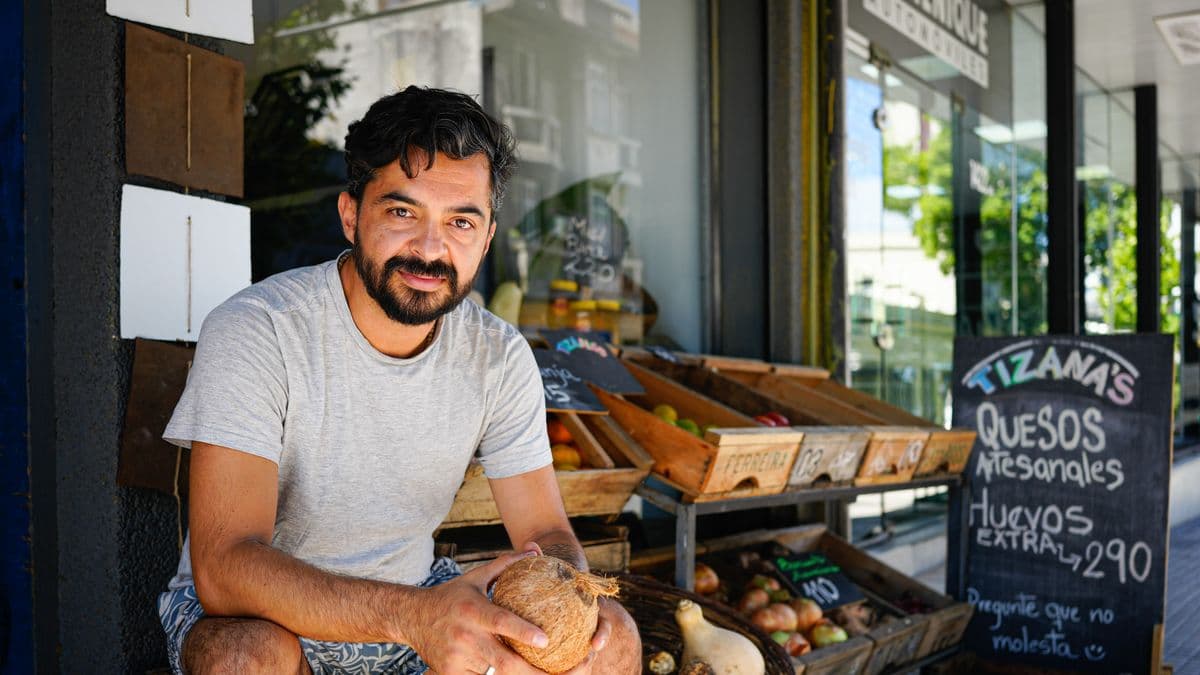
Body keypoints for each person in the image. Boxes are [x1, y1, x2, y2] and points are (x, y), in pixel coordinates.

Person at [156, 86, 641, 675]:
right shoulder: (259, 330)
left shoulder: (498, 355)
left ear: (486, 239)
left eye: (461, 221)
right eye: (402, 212)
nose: (431, 249)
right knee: (242, 659)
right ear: (351, 215)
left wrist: (564, 610)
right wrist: (415, 617)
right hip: (268, 616)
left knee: (612, 639)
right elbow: (223, 568)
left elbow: (545, 530)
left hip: (418, 598)